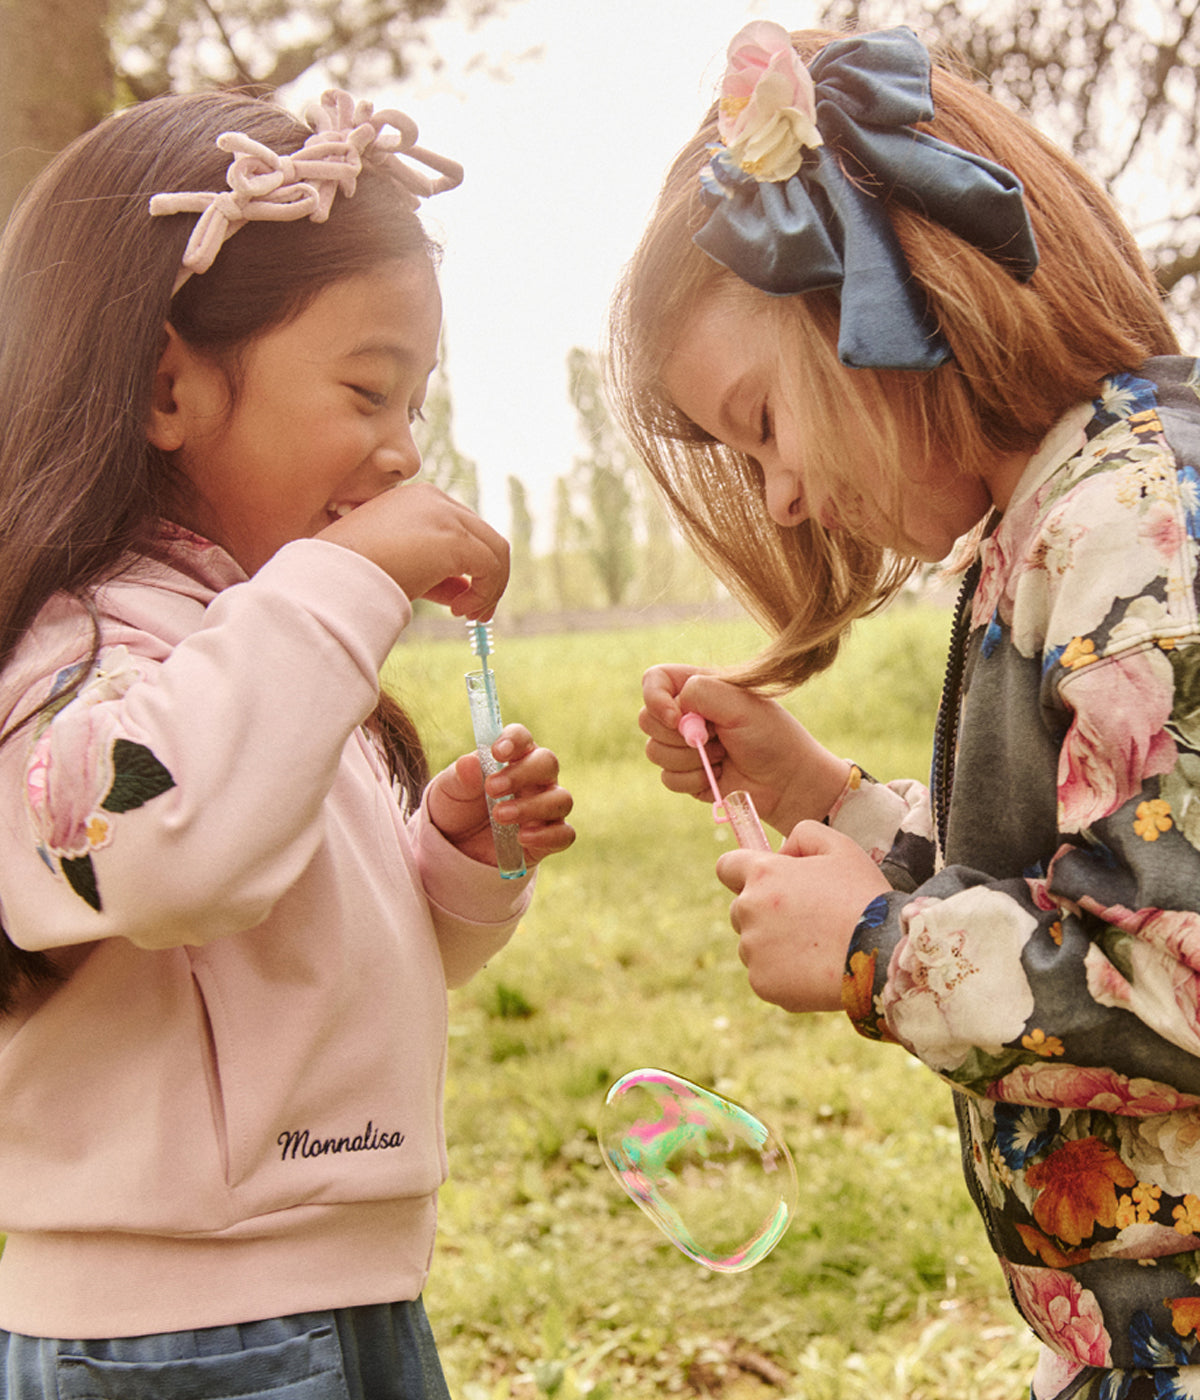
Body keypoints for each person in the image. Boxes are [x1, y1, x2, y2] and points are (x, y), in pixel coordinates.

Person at [610, 19, 1200, 1400]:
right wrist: (832, 800)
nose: (787, 500)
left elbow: (1173, 964)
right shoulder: (1064, 513)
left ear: (890, 291)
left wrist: (881, 946)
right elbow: (1095, 861)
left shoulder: (1140, 537)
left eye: (763, 424)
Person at [0, 87, 574, 1398]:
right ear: (165, 386)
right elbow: (144, 852)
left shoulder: (257, 641)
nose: (402, 451)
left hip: (331, 1291)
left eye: (416, 400)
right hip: (182, 1337)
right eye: (369, 391)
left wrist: (450, 869)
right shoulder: (83, 649)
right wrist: (342, 584)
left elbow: (309, 967)